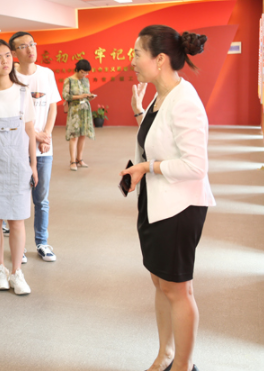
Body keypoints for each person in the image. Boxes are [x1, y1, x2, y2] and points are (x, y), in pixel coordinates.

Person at [120, 25, 214, 371]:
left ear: (159, 59)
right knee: (161, 283)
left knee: (178, 290)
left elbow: (196, 166)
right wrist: (138, 113)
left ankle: (184, 366)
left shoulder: (185, 101)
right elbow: (156, 140)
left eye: (136, 54)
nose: (132, 61)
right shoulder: (160, 97)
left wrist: (148, 167)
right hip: (156, 204)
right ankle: (166, 355)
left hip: (180, 207)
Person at [0, 39, 37, 297]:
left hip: (20, 165)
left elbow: (30, 131)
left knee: (18, 221)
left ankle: (17, 272)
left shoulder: (23, 92)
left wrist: (34, 165)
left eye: (7, 56)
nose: (5, 61)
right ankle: (0, 269)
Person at [10, 32, 61, 262]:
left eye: (32, 44)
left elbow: (52, 107)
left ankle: (42, 242)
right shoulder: (11, 78)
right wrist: (36, 136)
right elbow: (13, 114)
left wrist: (46, 134)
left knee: (41, 199)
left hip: (44, 150)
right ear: (14, 53)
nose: (30, 49)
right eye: (23, 46)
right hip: (20, 147)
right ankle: (19, 246)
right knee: (19, 198)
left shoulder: (47, 74)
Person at [63, 59, 95, 171]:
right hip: (74, 111)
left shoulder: (86, 81)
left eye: (86, 73)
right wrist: (80, 96)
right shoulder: (69, 80)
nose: (84, 75)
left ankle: (79, 159)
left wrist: (89, 96)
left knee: (82, 135)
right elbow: (65, 96)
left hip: (85, 109)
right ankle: (72, 161)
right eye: (82, 72)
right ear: (77, 70)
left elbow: (86, 94)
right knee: (74, 136)